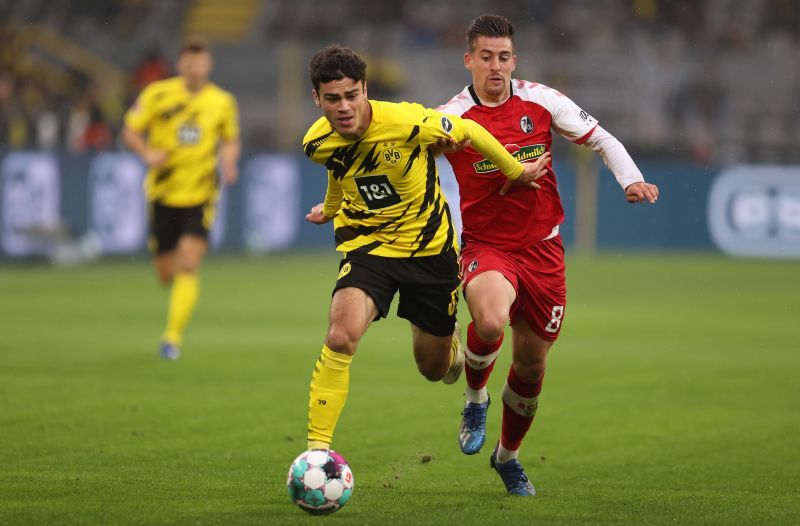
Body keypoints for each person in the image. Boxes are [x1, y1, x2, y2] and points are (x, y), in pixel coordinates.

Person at [437, 14, 660, 496]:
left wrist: (632, 178)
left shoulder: (542, 100)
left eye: (504, 57)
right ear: (468, 60)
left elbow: (599, 137)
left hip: (543, 251)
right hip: (486, 246)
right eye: (485, 57)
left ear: (513, 60)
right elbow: (406, 153)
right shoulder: (451, 117)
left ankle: (507, 457)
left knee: (532, 366)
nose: (495, 67)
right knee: (491, 321)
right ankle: (476, 398)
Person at [302, 45, 550, 452]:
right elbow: (339, 168)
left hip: (429, 253)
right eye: (332, 99)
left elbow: (467, 130)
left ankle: (449, 346)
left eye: (351, 95)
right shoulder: (316, 143)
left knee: (434, 368)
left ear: (364, 89)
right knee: (341, 334)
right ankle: (317, 453)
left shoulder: (406, 120)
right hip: (370, 250)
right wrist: (330, 209)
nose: (344, 107)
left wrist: (515, 170)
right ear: (317, 99)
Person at [122, 36, 240, 360]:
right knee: (165, 274)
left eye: (200, 62)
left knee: (189, 263)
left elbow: (230, 140)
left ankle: (171, 338)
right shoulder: (157, 94)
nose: (194, 68)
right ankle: (171, 290)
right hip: (162, 193)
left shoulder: (223, 102)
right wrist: (146, 152)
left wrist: (229, 161)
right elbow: (130, 130)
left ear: (209, 65)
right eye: (189, 62)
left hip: (200, 195)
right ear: (180, 64)